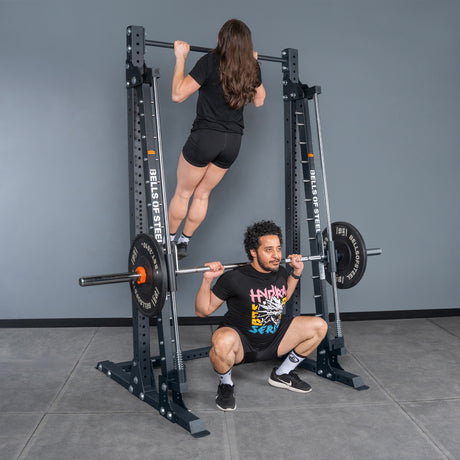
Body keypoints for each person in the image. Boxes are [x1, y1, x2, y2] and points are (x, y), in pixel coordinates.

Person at [195, 220, 328, 411]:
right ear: (253, 252)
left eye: (278, 249)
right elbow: (202, 311)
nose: (276, 256)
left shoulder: (281, 272)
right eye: (269, 250)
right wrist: (207, 281)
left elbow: (284, 297)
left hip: (274, 340)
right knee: (221, 342)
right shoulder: (234, 278)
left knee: (320, 326)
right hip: (242, 344)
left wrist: (296, 273)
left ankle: (282, 373)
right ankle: (226, 385)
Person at [168, 19, 266, 259]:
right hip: (232, 143)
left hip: (205, 138)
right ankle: (183, 242)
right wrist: (253, 63)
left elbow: (177, 95)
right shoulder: (251, 67)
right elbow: (260, 99)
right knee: (202, 194)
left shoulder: (210, 61)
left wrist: (180, 57)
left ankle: (166, 242)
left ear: (222, 39)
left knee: (184, 192)